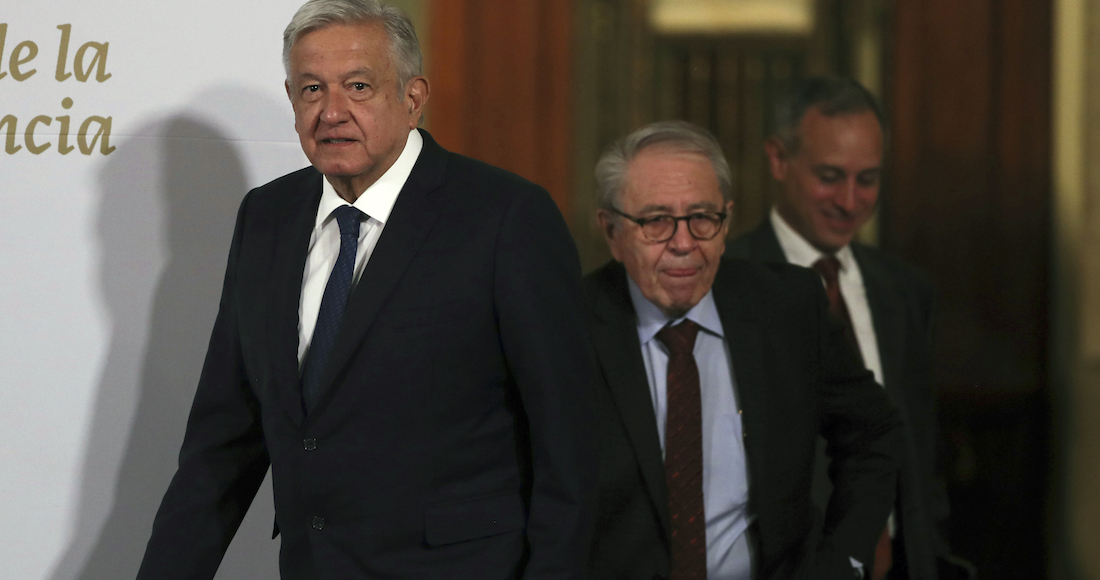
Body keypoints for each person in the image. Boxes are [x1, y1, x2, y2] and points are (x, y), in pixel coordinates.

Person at [135, 1, 598, 578]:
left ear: (413, 97)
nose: (332, 112)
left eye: (358, 86)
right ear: (292, 99)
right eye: (312, 89)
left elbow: (570, 446)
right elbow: (223, 441)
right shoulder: (267, 217)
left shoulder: (505, 217)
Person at [585, 120, 902, 580]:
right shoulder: (566, 327)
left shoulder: (787, 307)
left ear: (726, 222)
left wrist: (845, 560)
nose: (683, 244)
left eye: (702, 217)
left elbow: (874, 431)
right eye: (655, 221)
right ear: (612, 232)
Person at [726, 77, 971, 580]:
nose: (850, 200)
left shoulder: (905, 292)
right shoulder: (728, 282)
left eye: (868, 179)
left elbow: (920, 453)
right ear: (778, 159)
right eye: (830, 176)